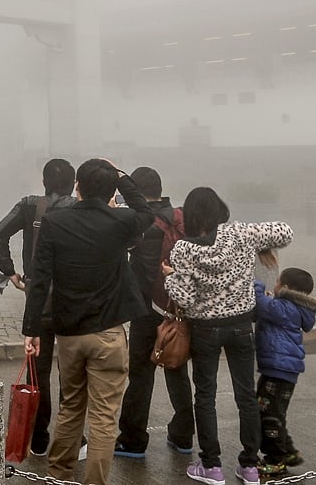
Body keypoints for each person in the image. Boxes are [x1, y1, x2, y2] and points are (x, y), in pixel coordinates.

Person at [22, 158, 152, 485]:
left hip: (69, 333)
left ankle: (58, 476)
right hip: (108, 333)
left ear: (77, 186)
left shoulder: (55, 222)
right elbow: (147, 212)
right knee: (104, 419)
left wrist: (32, 329)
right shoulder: (121, 221)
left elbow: (39, 280)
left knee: (70, 410)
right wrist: (122, 178)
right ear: (111, 190)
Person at [165, 187, 293, 485]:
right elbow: (285, 232)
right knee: (246, 395)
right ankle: (249, 466)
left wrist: (169, 277)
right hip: (240, 327)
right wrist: (259, 233)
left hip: (205, 330)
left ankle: (211, 466)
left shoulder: (184, 249)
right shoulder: (240, 234)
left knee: (205, 396)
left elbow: (183, 296)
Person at [0, 157, 76, 456]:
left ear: (44, 182)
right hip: (70, 300)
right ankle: (71, 438)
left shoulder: (29, 205)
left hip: (36, 297)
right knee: (71, 370)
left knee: (37, 371)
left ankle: (38, 436)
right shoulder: (79, 208)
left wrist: (10, 271)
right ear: (73, 183)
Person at [115, 166, 195, 459]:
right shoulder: (182, 218)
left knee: (141, 374)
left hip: (147, 308)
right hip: (178, 307)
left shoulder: (142, 223)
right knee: (177, 367)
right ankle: (183, 434)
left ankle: (133, 440)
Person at [253, 267, 316, 479]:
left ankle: (275, 461)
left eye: (277, 281)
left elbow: (261, 303)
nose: (274, 284)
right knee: (276, 413)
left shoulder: (284, 307)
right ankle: (289, 452)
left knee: (268, 415)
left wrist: (256, 284)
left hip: (278, 370)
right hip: (283, 371)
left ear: (286, 288)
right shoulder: (294, 307)